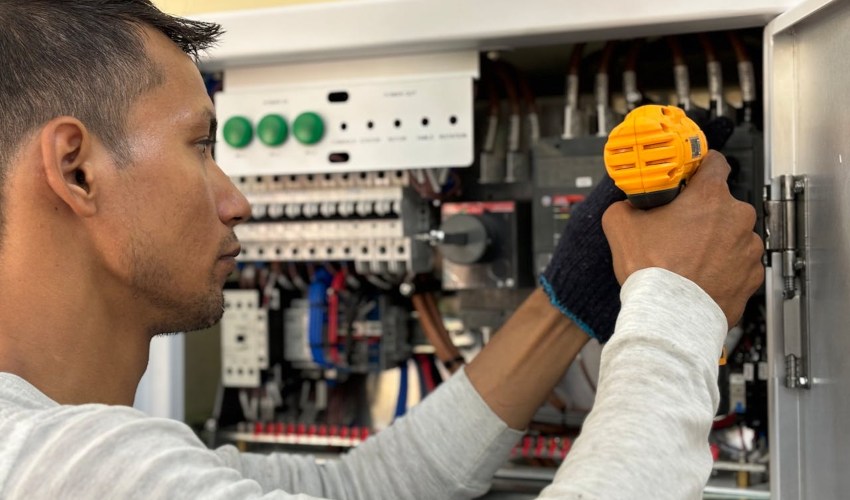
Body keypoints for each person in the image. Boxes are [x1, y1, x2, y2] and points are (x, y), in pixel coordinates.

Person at [0, 1, 764, 499]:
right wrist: (675, 307)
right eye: (201, 145)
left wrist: (568, 296)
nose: (237, 199)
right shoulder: (70, 470)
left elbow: (374, 487)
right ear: (76, 169)